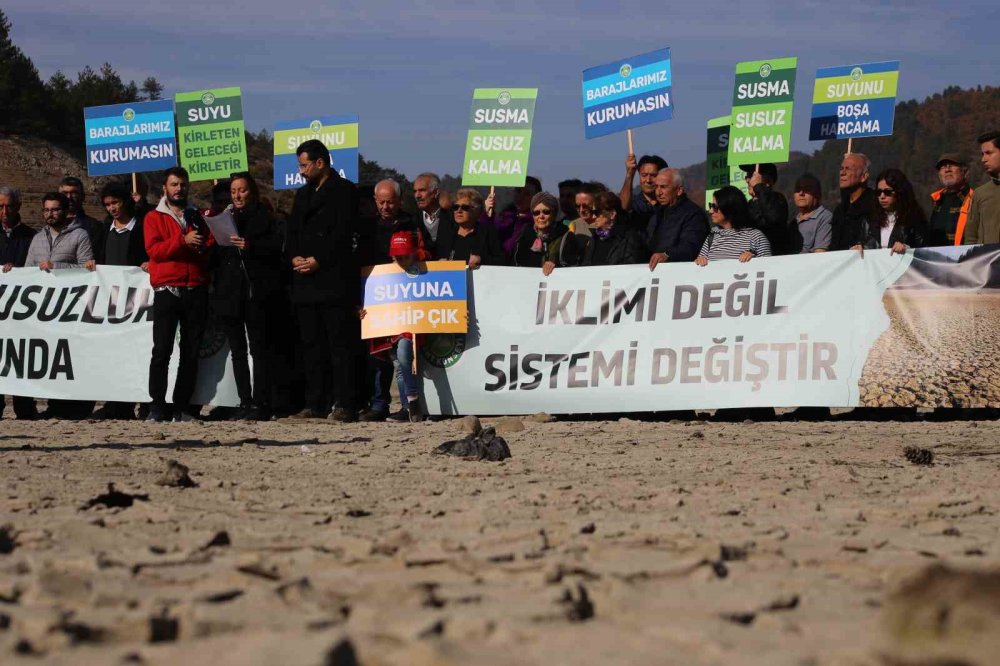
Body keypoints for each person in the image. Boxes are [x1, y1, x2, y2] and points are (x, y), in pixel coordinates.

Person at [285, 139, 362, 421]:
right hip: (305, 282)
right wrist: (294, 257)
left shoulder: (345, 191)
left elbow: (343, 233)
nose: (301, 171)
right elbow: (292, 231)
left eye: (304, 165)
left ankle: (344, 403)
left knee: (339, 345)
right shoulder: (302, 195)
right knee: (311, 346)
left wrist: (319, 259)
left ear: (320, 163)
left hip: (332, 279)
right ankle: (314, 403)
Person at [209, 172, 284, 421]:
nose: (237, 196)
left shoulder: (264, 217)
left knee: (259, 350)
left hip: (255, 293)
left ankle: (262, 402)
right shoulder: (224, 217)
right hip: (230, 293)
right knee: (238, 352)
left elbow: (276, 249)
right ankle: (245, 401)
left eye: (241, 190)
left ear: (251, 191)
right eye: (233, 192)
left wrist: (250, 246)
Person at [144, 166, 213, 423]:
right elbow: (155, 250)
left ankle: (183, 407)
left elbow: (207, 245)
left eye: (183, 184)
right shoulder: (153, 217)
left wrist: (206, 243)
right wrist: (182, 241)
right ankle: (157, 406)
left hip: (195, 288)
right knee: (161, 351)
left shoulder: (198, 215)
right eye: (174, 184)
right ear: (165, 188)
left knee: (191, 352)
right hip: (167, 290)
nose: (179, 188)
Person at [359, 179, 429, 422]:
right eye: (381, 202)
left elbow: (424, 256)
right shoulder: (367, 225)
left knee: (401, 356)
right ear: (375, 202)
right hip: (377, 297)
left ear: (399, 201)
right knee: (378, 355)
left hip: (406, 299)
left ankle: (408, 405)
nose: (386, 207)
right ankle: (378, 404)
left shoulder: (412, 223)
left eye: (390, 202)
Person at [24, 193, 97, 419]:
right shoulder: (37, 239)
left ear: (66, 211)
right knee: (51, 361)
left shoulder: (80, 235)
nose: (50, 214)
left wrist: (56, 266)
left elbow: (87, 269)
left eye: (55, 210)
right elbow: (28, 271)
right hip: (44, 310)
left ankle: (75, 408)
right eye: (46, 210)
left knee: (71, 358)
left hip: (71, 309)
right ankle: (53, 406)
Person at [90, 182, 150, 420]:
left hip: (138, 302)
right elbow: (99, 258)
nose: (112, 208)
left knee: (139, 354)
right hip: (111, 302)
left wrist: (147, 262)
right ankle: (117, 406)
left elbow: (150, 253)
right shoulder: (105, 229)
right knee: (115, 355)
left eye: (115, 202)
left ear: (126, 201)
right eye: (107, 204)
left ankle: (145, 404)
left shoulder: (142, 228)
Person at [0, 186, 39, 420]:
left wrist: (19, 273)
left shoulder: (31, 236)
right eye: (0, 206)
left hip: (22, 312)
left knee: (21, 357)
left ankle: (25, 406)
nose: (5, 211)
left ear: (18, 207)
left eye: (9, 206)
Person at [646, 168, 709, 270]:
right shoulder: (656, 214)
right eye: (656, 187)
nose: (658, 192)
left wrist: (667, 255)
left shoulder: (693, 214)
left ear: (679, 190)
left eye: (663, 187)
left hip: (681, 276)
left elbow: (692, 246)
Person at [696, 186, 772, 265]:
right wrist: (700, 260)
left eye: (715, 207)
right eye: (710, 206)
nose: (711, 211)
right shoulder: (712, 237)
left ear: (729, 208)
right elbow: (699, 266)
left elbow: (768, 268)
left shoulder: (756, 237)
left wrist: (754, 260)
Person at [435, 188, 505, 267]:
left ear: (476, 211)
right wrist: (439, 262)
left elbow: (502, 260)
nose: (459, 210)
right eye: (455, 207)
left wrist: (481, 260)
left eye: (465, 207)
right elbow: (435, 258)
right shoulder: (446, 235)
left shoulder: (487, 233)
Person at [574, 191, 645, 267]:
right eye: (592, 212)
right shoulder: (593, 238)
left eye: (597, 212)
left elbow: (632, 268)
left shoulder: (629, 238)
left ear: (612, 214)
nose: (594, 217)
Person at [864, 169, 927, 252]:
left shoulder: (914, 218)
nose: (882, 196)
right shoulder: (870, 218)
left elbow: (924, 250)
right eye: (878, 192)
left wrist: (907, 249)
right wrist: (858, 248)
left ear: (899, 192)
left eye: (887, 192)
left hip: (903, 263)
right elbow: (865, 244)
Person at [830, 153, 879, 250]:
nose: (842, 173)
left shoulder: (875, 205)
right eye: (841, 168)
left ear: (863, 176)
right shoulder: (840, 211)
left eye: (848, 169)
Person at [511, 191, 567, 273]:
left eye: (546, 212)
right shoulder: (523, 237)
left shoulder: (565, 237)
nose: (541, 216)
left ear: (554, 214)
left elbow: (571, 266)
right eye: (536, 213)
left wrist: (556, 265)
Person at [741, 163, 790, 255]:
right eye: (747, 176)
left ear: (768, 181)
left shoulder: (777, 199)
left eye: (751, 176)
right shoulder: (748, 204)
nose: (747, 180)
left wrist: (759, 187)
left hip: (773, 259)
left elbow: (773, 218)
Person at [928, 154, 974, 246]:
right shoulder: (935, 200)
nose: (947, 169)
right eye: (943, 167)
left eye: (952, 165)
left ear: (965, 172)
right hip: (936, 258)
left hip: (965, 258)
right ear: (939, 175)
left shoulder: (975, 199)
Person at [489, 176, 541, 258]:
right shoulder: (502, 217)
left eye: (527, 194)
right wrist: (487, 214)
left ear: (536, 198)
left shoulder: (538, 223)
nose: (520, 196)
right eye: (518, 191)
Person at [964, 131, 1000, 245]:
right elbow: (971, 237)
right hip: (988, 261)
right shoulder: (980, 193)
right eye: (982, 154)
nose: (983, 159)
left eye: (989, 153)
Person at [620, 154, 667, 231]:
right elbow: (622, 209)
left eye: (653, 175)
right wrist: (629, 175)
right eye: (644, 175)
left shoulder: (669, 204)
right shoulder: (634, 204)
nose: (648, 180)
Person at [788, 173, 833, 253]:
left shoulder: (825, 218)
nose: (801, 193)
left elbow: (820, 254)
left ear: (818, 194)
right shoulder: (793, 222)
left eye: (807, 189)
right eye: (798, 189)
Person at [413, 172, 450, 256]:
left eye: (422, 190)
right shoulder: (411, 222)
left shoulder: (453, 219)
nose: (417, 195)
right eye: (415, 191)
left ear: (436, 192)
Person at [58, 176, 101, 241]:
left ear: (82, 196)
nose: (69, 197)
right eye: (65, 193)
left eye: (74, 193)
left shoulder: (95, 227)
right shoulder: (52, 223)